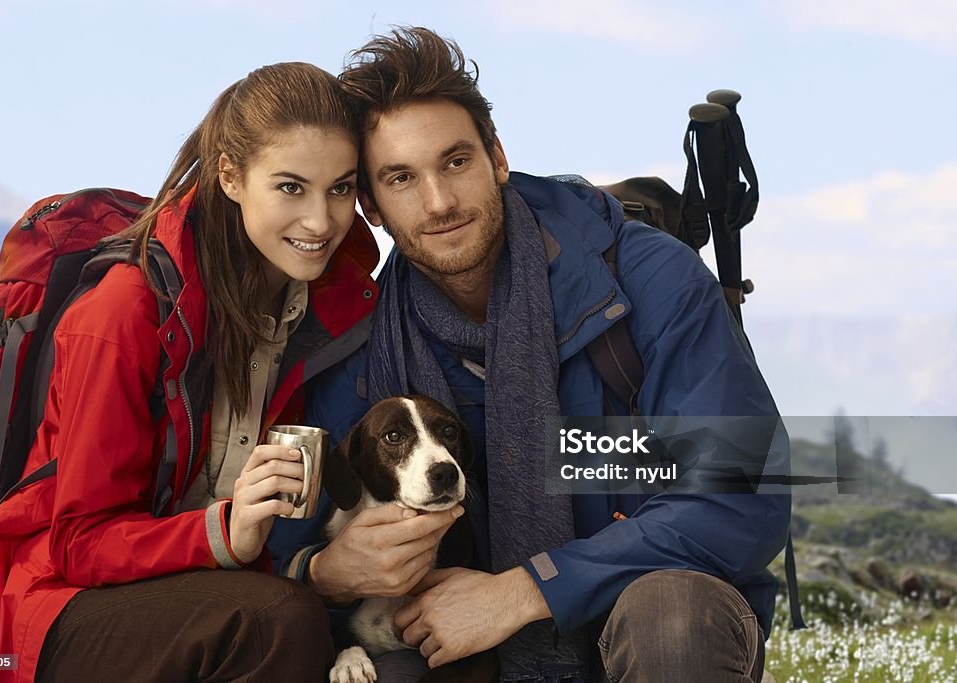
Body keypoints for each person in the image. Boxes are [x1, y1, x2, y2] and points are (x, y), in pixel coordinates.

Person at [269, 28, 791, 683]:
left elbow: (741, 493)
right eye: (402, 177)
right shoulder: (365, 347)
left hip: (643, 618)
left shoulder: (649, 279)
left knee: (672, 617)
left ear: (498, 157)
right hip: (461, 647)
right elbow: (286, 538)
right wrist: (326, 569)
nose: (439, 201)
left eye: (456, 161)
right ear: (371, 205)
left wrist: (527, 589)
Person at [0, 62, 380, 683]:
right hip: (44, 610)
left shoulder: (325, 310)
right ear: (231, 175)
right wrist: (224, 531)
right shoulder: (124, 311)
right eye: (291, 187)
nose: (320, 221)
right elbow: (79, 542)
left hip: (189, 599)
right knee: (278, 622)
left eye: (340, 189)